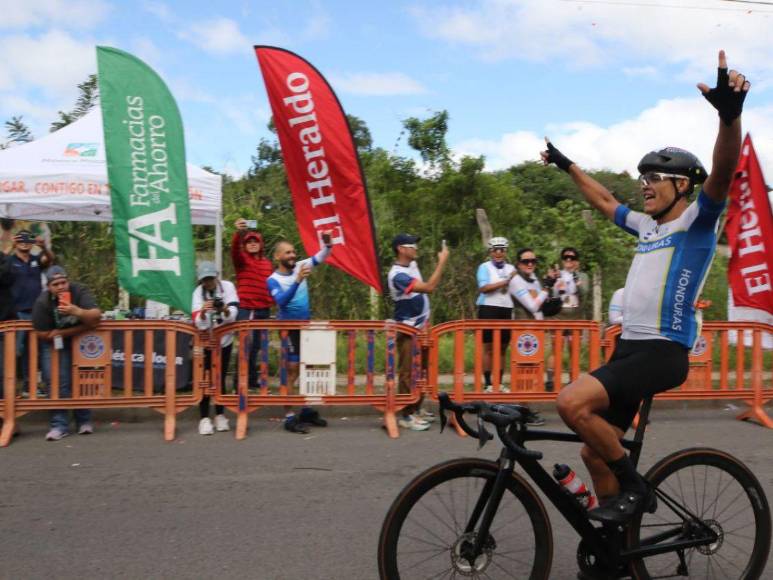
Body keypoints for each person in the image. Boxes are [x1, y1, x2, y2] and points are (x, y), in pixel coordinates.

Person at [542, 50, 749, 524]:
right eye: (643, 179)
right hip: (629, 350)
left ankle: (635, 486)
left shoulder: (697, 222)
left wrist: (729, 117)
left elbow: (721, 171)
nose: (644, 186)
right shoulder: (647, 226)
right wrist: (567, 165)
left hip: (662, 352)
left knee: (571, 401)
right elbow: (603, 199)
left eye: (654, 178)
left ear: (682, 186)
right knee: (595, 455)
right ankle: (618, 551)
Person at [267, 233, 333, 434]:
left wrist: (328, 245)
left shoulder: (302, 266)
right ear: (277, 257)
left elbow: (321, 256)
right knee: (292, 369)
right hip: (289, 329)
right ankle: (288, 415)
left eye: (294, 251)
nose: (292, 255)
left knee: (309, 369)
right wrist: (296, 281)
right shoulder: (273, 280)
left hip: (307, 326)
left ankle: (305, 410)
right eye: (287, 252)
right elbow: (281, 302)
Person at [31, 266, 101, 441]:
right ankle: (59, 425)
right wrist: (82, 326)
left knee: (82, 379)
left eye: (64, 282)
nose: (61, 286)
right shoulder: (43, 302)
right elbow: (42, 333)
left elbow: (96, 317)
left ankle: (84, 421)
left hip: (79, 339)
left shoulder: (79, 291)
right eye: (56, 284)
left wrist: (76, 312)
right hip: (52, 343)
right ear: (49, 287)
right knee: (55, 381)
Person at [388, 233, 449, 432]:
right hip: (407, 329)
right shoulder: (397, 275)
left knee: (422, 371)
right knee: (408, 372)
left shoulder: (411, 265)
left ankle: (416, 407)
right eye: (411, 245)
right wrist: (442, 262)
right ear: (401, 249)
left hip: (422, 327)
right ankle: (406, 414)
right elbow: (429, 287)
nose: (416, 248)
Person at [192, 261, 239, 436]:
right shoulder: (197, 293)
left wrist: (224, 309)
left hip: (224, 340)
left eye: (211, 278)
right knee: (205, 380)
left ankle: (220, 415)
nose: (208, 282)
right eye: (205, 280)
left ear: (216, 276)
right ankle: (204, 418)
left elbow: (233, 315)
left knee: (220, 378)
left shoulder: (227, 287)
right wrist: (204, 311)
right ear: (201, 281)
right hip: (205, 342)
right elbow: (198, 322)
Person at [507, 248, 551, 426]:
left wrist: (546, 289)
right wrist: (546, 289)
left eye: (533, 260)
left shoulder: (533, 280)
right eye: (526, 261)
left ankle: (524, 407)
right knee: (523, 369)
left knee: (531, 369)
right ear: (519, 264)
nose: (530, 264)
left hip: (534, 329)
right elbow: (533, 305)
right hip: (522, 329)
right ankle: (521, 410)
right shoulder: (517, 281)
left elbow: (541, 303)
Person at [231, 218, 274, 390]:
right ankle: (238, 384)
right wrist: (238, 234)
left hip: (263, 309)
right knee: (244, 347)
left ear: (261, 244)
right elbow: (234, 251)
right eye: (249, 242)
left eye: (255, 241)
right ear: (245, 245)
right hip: (246, 309)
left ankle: (251, 381)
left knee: (256, 348)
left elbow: (271, 285)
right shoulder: (241, 260)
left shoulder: (267, 263)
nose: (253, 244)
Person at [10, 230, 54, 392]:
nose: (24, 242)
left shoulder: (36, 259)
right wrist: (11, 247)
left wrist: (44, 247)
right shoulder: (10, 260)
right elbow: (2, 267)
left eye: (28, 239)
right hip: (17, 313)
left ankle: (31, 385)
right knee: (15, 350)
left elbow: (49, 260)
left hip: (37, 312)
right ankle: (8, 388)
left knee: (36, 350)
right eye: (21, 239)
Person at [476, 237, 516, 393]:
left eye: (502, 250)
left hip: (506, 308)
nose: (498, 253)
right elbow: (484, 288)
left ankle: (499, 383)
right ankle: (488, 383)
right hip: (488, 307)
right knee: (488, 347)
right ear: (490, 252)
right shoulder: (484, 267)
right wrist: (505, 281)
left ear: (506, 252)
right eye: (495, 250)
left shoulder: (511, 268)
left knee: (502, 348)